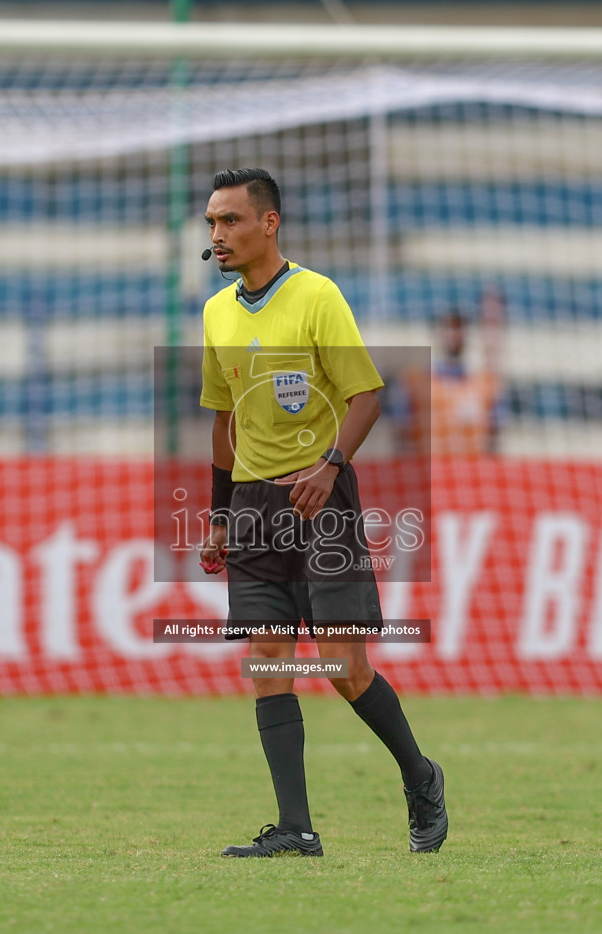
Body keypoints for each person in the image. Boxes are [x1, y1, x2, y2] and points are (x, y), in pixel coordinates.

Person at [197, 168, 448, 857]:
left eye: (230, 221)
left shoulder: (318, 296)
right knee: (269, 659)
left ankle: (421, 776)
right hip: (251, 505)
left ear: (268, 223)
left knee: (343, 666)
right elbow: (222, 424)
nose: (217, 235)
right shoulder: (217, 312)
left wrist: (331, 464)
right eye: (212, 224)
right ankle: (296, 828)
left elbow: (365, 395)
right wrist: (219, 515)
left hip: (321, 501)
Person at [402, 305, 502, 458]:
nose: (454, 335)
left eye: (459, 328)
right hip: (428, 472)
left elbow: (493, 439)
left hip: (472, 473)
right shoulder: (416, 381)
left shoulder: (485, 384)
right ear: (437, 332)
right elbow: (402, 436)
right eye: (448, 327)